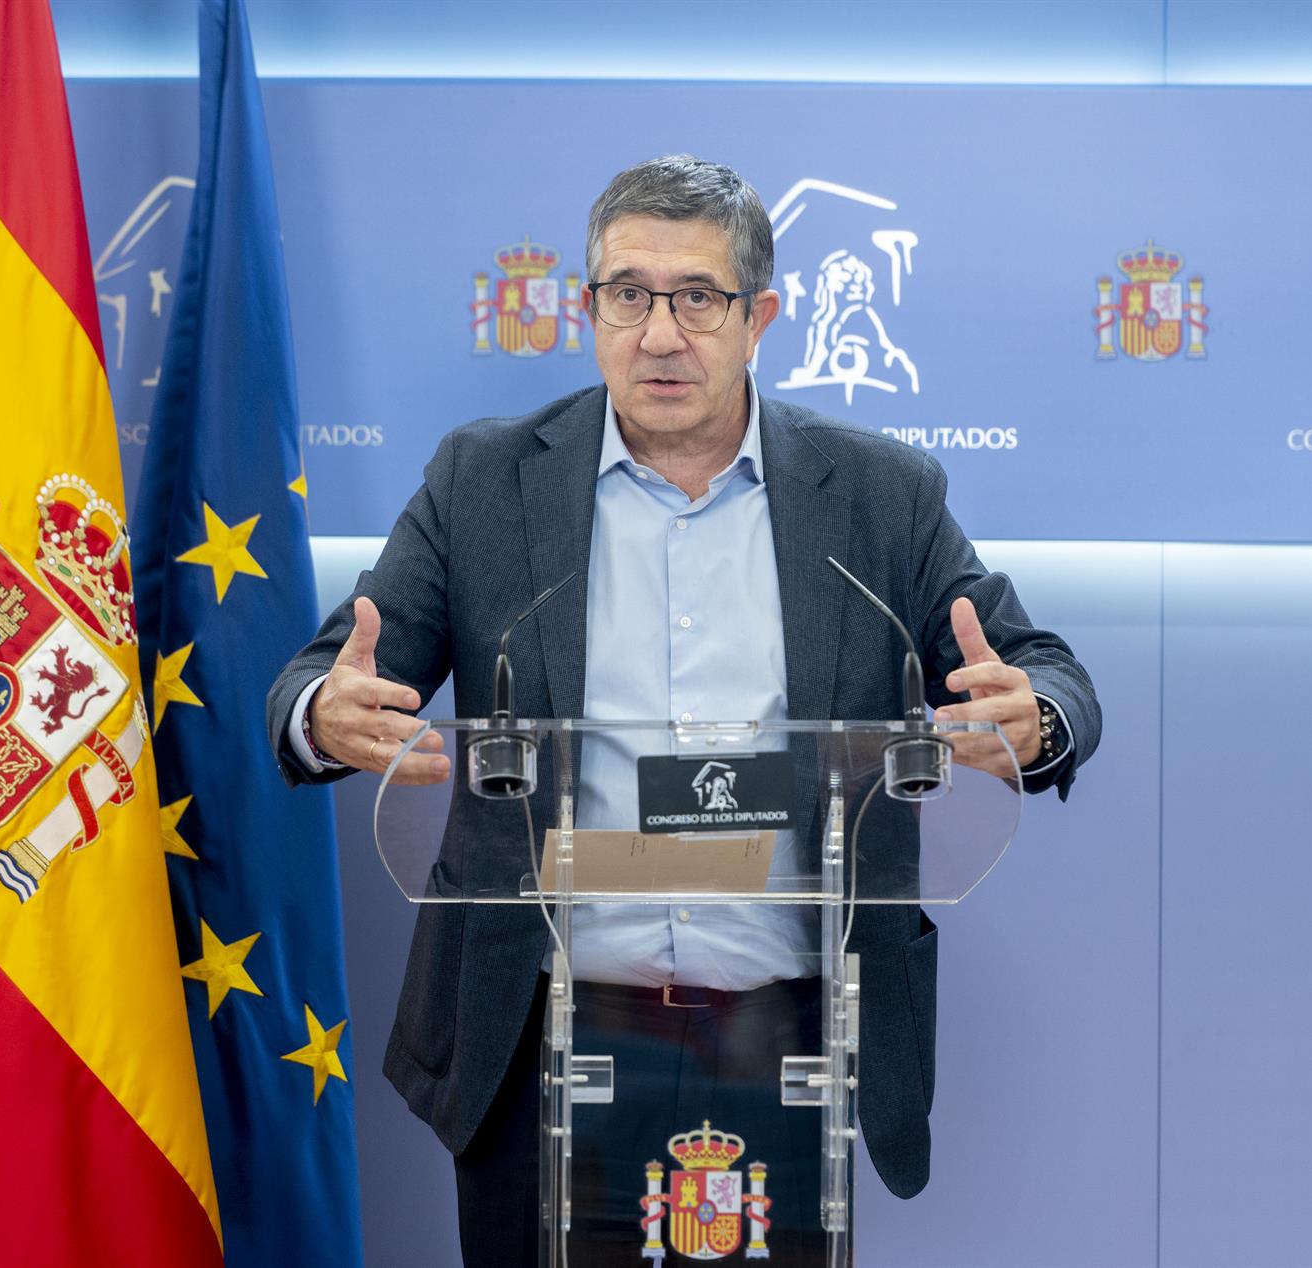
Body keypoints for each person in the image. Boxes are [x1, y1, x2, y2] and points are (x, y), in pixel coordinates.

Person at [266, 154, 1100, 1264]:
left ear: (760, 314)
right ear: (590, 307)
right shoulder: (483, 483)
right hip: (539, 1034)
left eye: (697, 297)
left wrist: (1036, 713)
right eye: (629, 294)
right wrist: (324, 710)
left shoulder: (880, 495)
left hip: (783, 1033)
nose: (661, 333)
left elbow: (1045, 668)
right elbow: (327, 672)